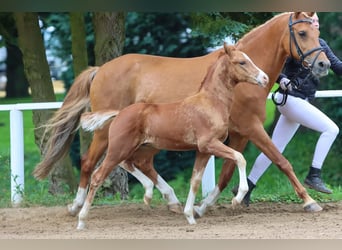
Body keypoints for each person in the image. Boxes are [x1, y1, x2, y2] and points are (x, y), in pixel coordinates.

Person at [233, 13, 342, 206]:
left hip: (300, 101)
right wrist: (281, 79)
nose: (313, 23)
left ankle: (247, 186)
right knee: (331, 129)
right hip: (291, 99)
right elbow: (274, 66)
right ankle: (314, 174)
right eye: (311, 21)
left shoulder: (321, 45)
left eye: (316, 21)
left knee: (275, 148)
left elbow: (338, 66)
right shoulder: (297, 41)